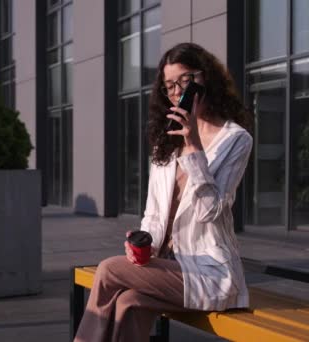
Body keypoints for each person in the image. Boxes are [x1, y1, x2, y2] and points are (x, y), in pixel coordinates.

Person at [74, 42, 253, 342]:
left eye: (185, 81)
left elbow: (211, 211)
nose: (178, 92)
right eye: (170, 86)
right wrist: (141, 243)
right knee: (129, 303)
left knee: (106, 271)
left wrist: (194, 145)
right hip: (166, 264)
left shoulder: (236, 140)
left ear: (204, 78)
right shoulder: (166, 142)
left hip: (209, 273)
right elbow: (154, 213)